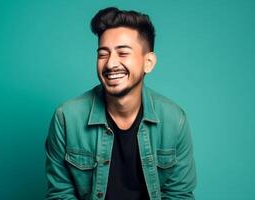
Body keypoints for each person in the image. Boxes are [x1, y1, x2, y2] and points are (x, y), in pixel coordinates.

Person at [45, 7, 197, 200]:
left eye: (123, 53)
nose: (110, 64)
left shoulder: (175, 120)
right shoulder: (66, 119)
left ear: (148, 62)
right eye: (103, 54)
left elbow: (179, 195)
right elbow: (60, 195)